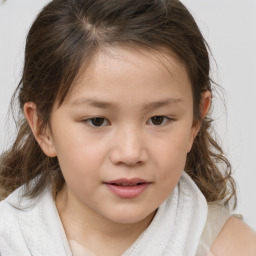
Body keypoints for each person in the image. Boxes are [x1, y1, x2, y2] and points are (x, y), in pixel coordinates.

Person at [0, 0, 255, 255]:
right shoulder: (9, 238)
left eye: (158, 120)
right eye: (97, 121)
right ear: (43, 127)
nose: (130, 153)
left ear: (195, 120)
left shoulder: (230, 247)